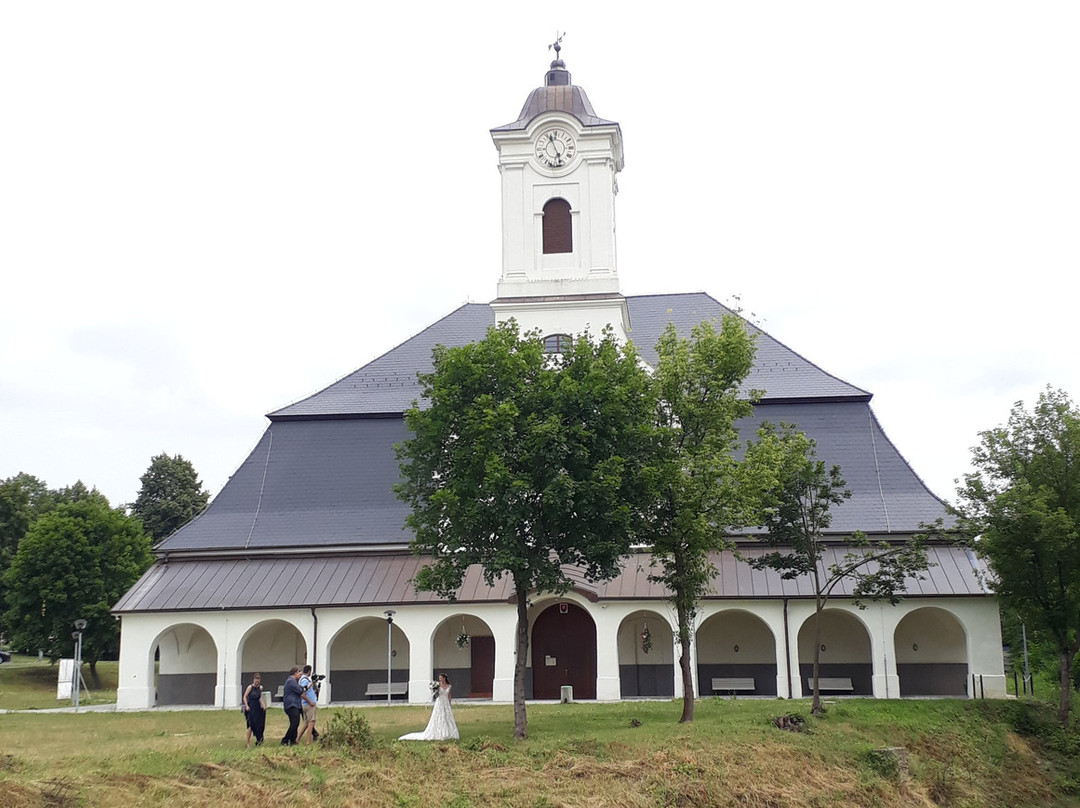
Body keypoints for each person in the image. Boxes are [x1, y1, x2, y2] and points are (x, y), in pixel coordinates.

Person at [398, 672, 459, 741]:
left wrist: (449, 703)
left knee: (447, 717)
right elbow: (437, 694)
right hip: (440, 702)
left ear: (444, 678)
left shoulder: (449, 686)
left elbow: (449, 695)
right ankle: (439, 733)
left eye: (441, 678)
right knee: (439, 716)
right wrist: (435, 688)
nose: (440, 679)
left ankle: (448, 732)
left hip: (446, 703)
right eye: (439, 678)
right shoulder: (438, 685)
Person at [280, 667, 304, 745]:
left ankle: (293, 740)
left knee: (294, 723)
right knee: (295, 723)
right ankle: (285, 740)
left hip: (293, 705)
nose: (299, 675)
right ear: (295, 673)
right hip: (292, 705)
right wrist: (305, 687)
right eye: (299, 673)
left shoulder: (292, 681)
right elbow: (300, 690)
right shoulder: (291, 681)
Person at [242, 672, 265, 747]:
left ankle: (258, 740)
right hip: (251, 707)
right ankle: (247, 743)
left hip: (257, 708)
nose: (256, 682)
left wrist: (262, 704)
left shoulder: (260, 688)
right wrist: (246, 706)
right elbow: (245, 696)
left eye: (258, 680)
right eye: (256, 680)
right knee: (251, 725)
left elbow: (259, 697)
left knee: (258, 725)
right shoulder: (250, 687)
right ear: (253, 680)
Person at [297, 664, 318, 744]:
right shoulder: (305, 680)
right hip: (308, 704)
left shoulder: (302, 679)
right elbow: (302, 693)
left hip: (305, 704)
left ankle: (297, 739)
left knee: (306, 723)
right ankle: (308, 741)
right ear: (309, 671)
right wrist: (310, 702)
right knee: (311, 722)